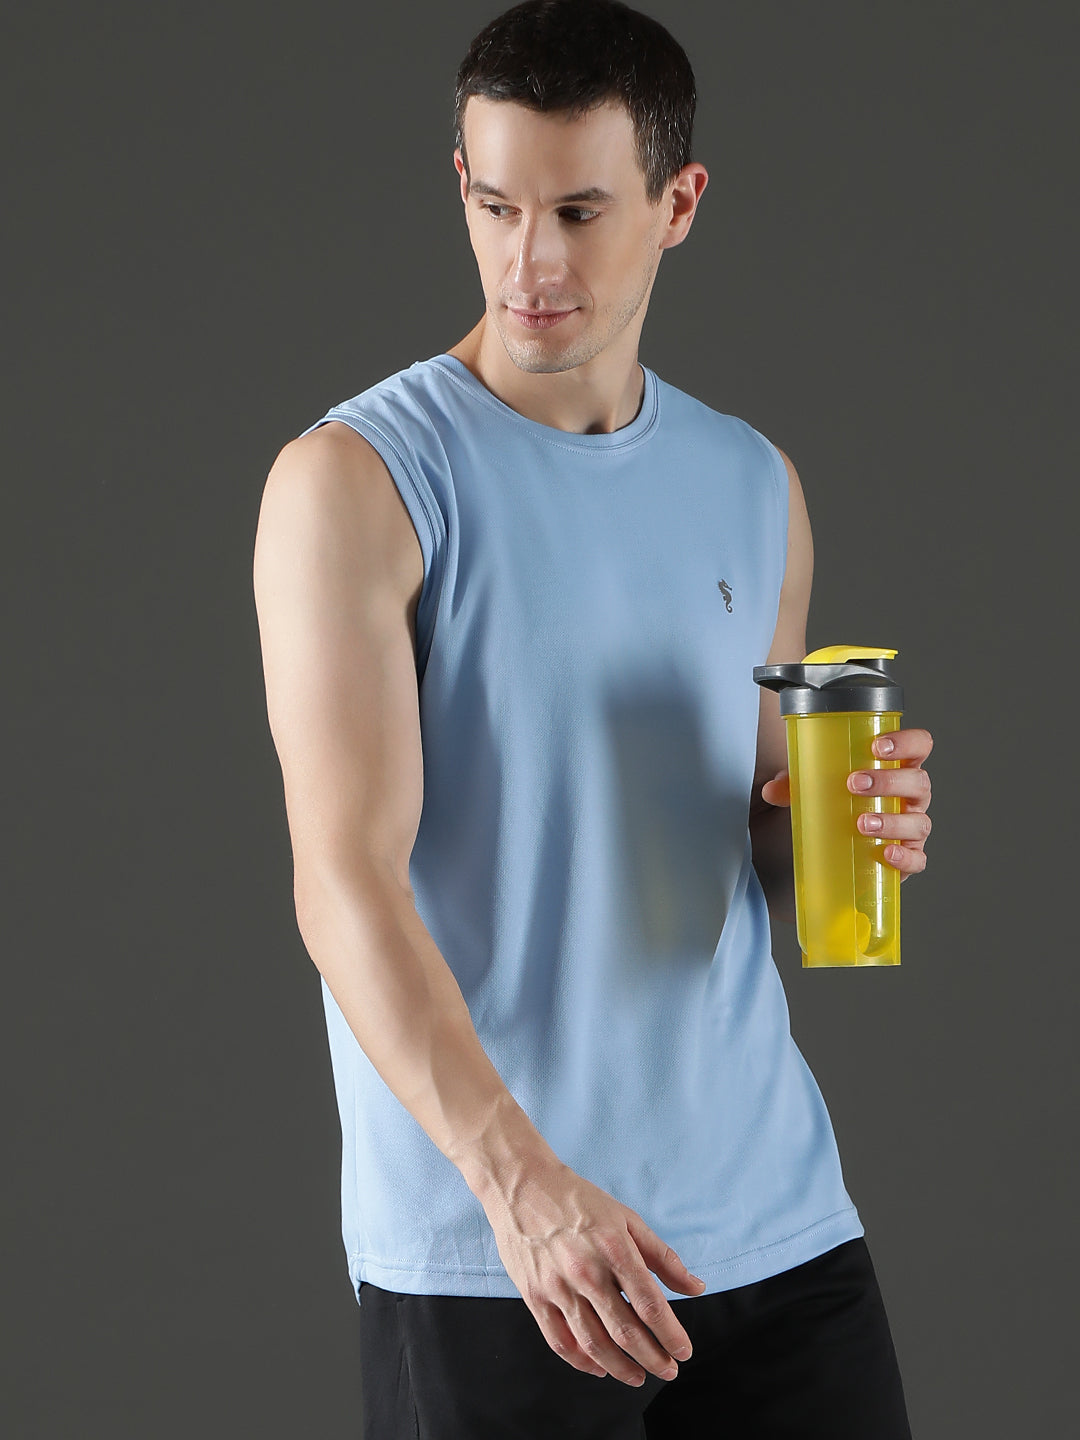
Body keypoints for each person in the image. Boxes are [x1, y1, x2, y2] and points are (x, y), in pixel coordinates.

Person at [252, 2, 933, 1435]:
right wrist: (524, 1189)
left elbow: (756, 847)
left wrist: (842, 821)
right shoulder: (358, 482)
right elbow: (342, 882)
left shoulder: (752, 480)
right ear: (461, 183)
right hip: (509, 1256)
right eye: (497, 206)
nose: (531, 263)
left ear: (678, 204)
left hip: (774, 1222)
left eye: (578, 211)